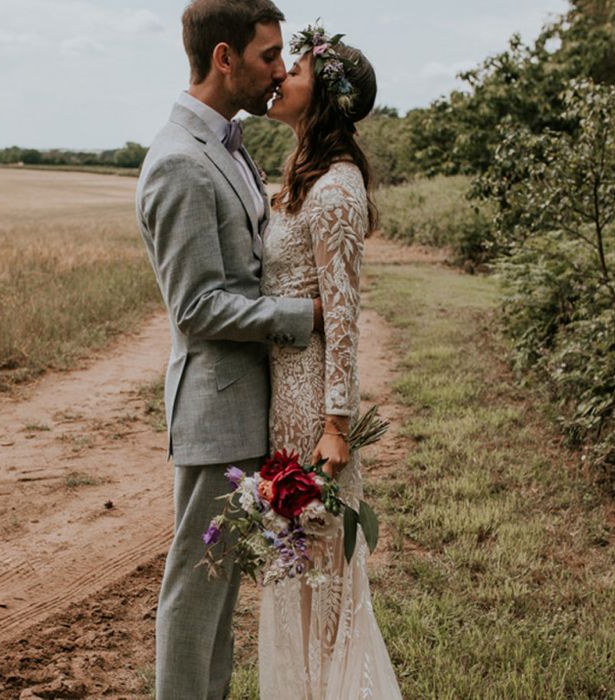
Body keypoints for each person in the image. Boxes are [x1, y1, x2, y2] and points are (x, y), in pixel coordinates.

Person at [134, 2, 323, 698]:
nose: (279, 69)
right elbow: (197, 305)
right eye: (269, 55)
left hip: (244, 406)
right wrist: (308, 315)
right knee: (198, 588)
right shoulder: (181, 162)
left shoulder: (227, 144)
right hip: (217, 412)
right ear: (224, 57)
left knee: (222, 589)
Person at [258, 22, 403, 699]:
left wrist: (336, 426)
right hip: (285, 393)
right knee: (300, 573)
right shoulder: (304, 173)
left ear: (323, 99)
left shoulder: (339, 188)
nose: (281, 74)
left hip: (314, 402)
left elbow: (343, 315)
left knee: (322, 575)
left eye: (296, 69)